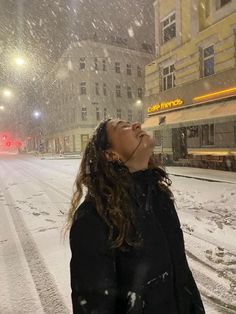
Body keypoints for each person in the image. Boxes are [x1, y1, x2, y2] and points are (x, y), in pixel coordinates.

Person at [66, 118, 205, 314]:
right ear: (110, 155)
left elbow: (182, 279)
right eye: (123, 126)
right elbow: (94, 307)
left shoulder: (159, 198)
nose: (137, 126)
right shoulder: (95, 217)